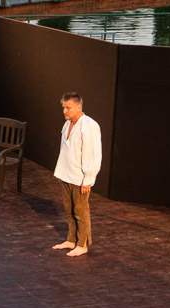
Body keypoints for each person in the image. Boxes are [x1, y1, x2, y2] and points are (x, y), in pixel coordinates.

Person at [52, 92, 102, 258]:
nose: (64, 111)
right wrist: (61, 171)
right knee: (70, 210)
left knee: (80, 212)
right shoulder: (67, 123)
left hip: (79, 178)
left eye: (68, 108)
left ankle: (82, 244)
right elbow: (65, 150)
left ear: (79, 107)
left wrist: (88, 179)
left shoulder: (89, 126)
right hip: (66, 174)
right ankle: (71, 239)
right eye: (64, 107)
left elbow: (92, 154)